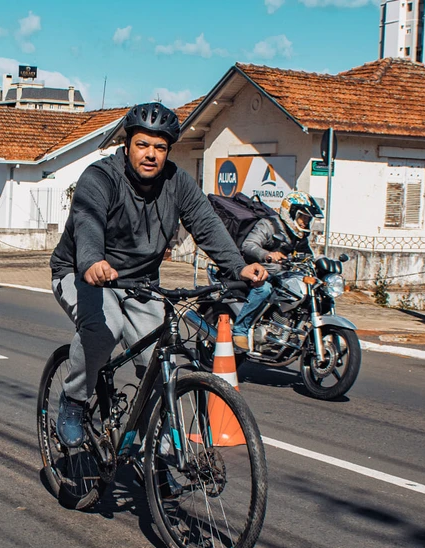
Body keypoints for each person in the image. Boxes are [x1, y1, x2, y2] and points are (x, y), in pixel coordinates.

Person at [48, 102, 268, 448]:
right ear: (127, 145)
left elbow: (206, 223)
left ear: (168, 151)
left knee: (161, 359)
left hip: (140, 283)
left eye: (160, 147)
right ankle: (74, 401)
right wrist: (91, 261)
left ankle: (156, 450)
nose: (151, 154)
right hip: (82, 273)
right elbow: (87, 219)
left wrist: (237, 265)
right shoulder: (101, 177)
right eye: (142, 145)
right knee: (105, 329)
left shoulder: (177, 182)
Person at [232, 190, 323, 350]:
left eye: (307, 219)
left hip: (284, 276)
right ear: (291, 213)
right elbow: (248, 245)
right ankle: (240, 330)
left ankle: (289, 329)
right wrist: (267, 255)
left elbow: (308, 255)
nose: (304, 222)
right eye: (303, 217)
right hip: (259, 273)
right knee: (264, 289)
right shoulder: (269, 225)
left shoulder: (298, 236)